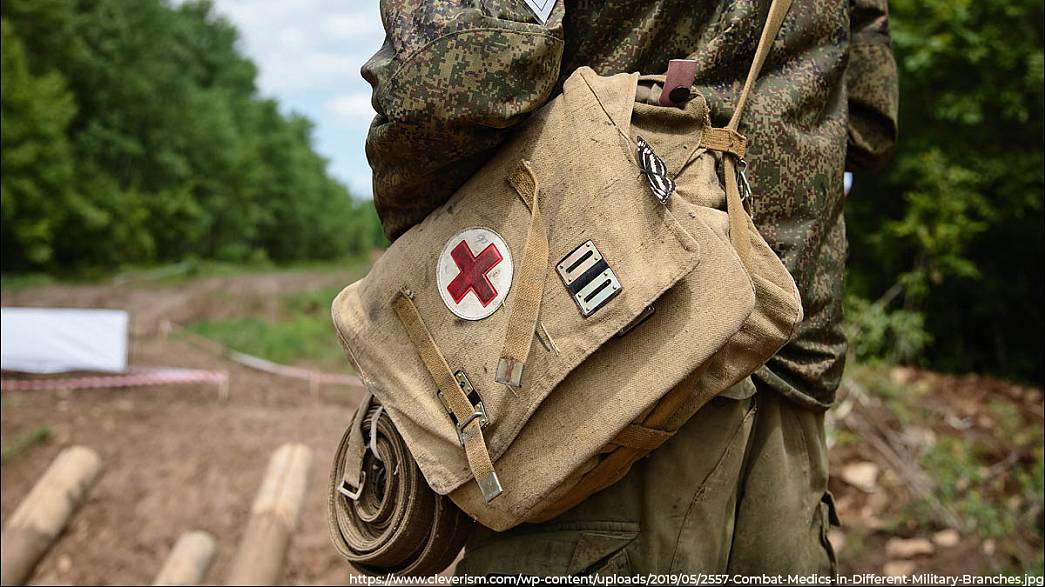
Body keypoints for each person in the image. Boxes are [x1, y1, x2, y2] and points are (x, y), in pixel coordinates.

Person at [359, 0, 898, 576]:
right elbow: (868, 116)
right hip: (785, 344)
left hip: (608, 377)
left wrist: (426, 235)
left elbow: (457, 78)